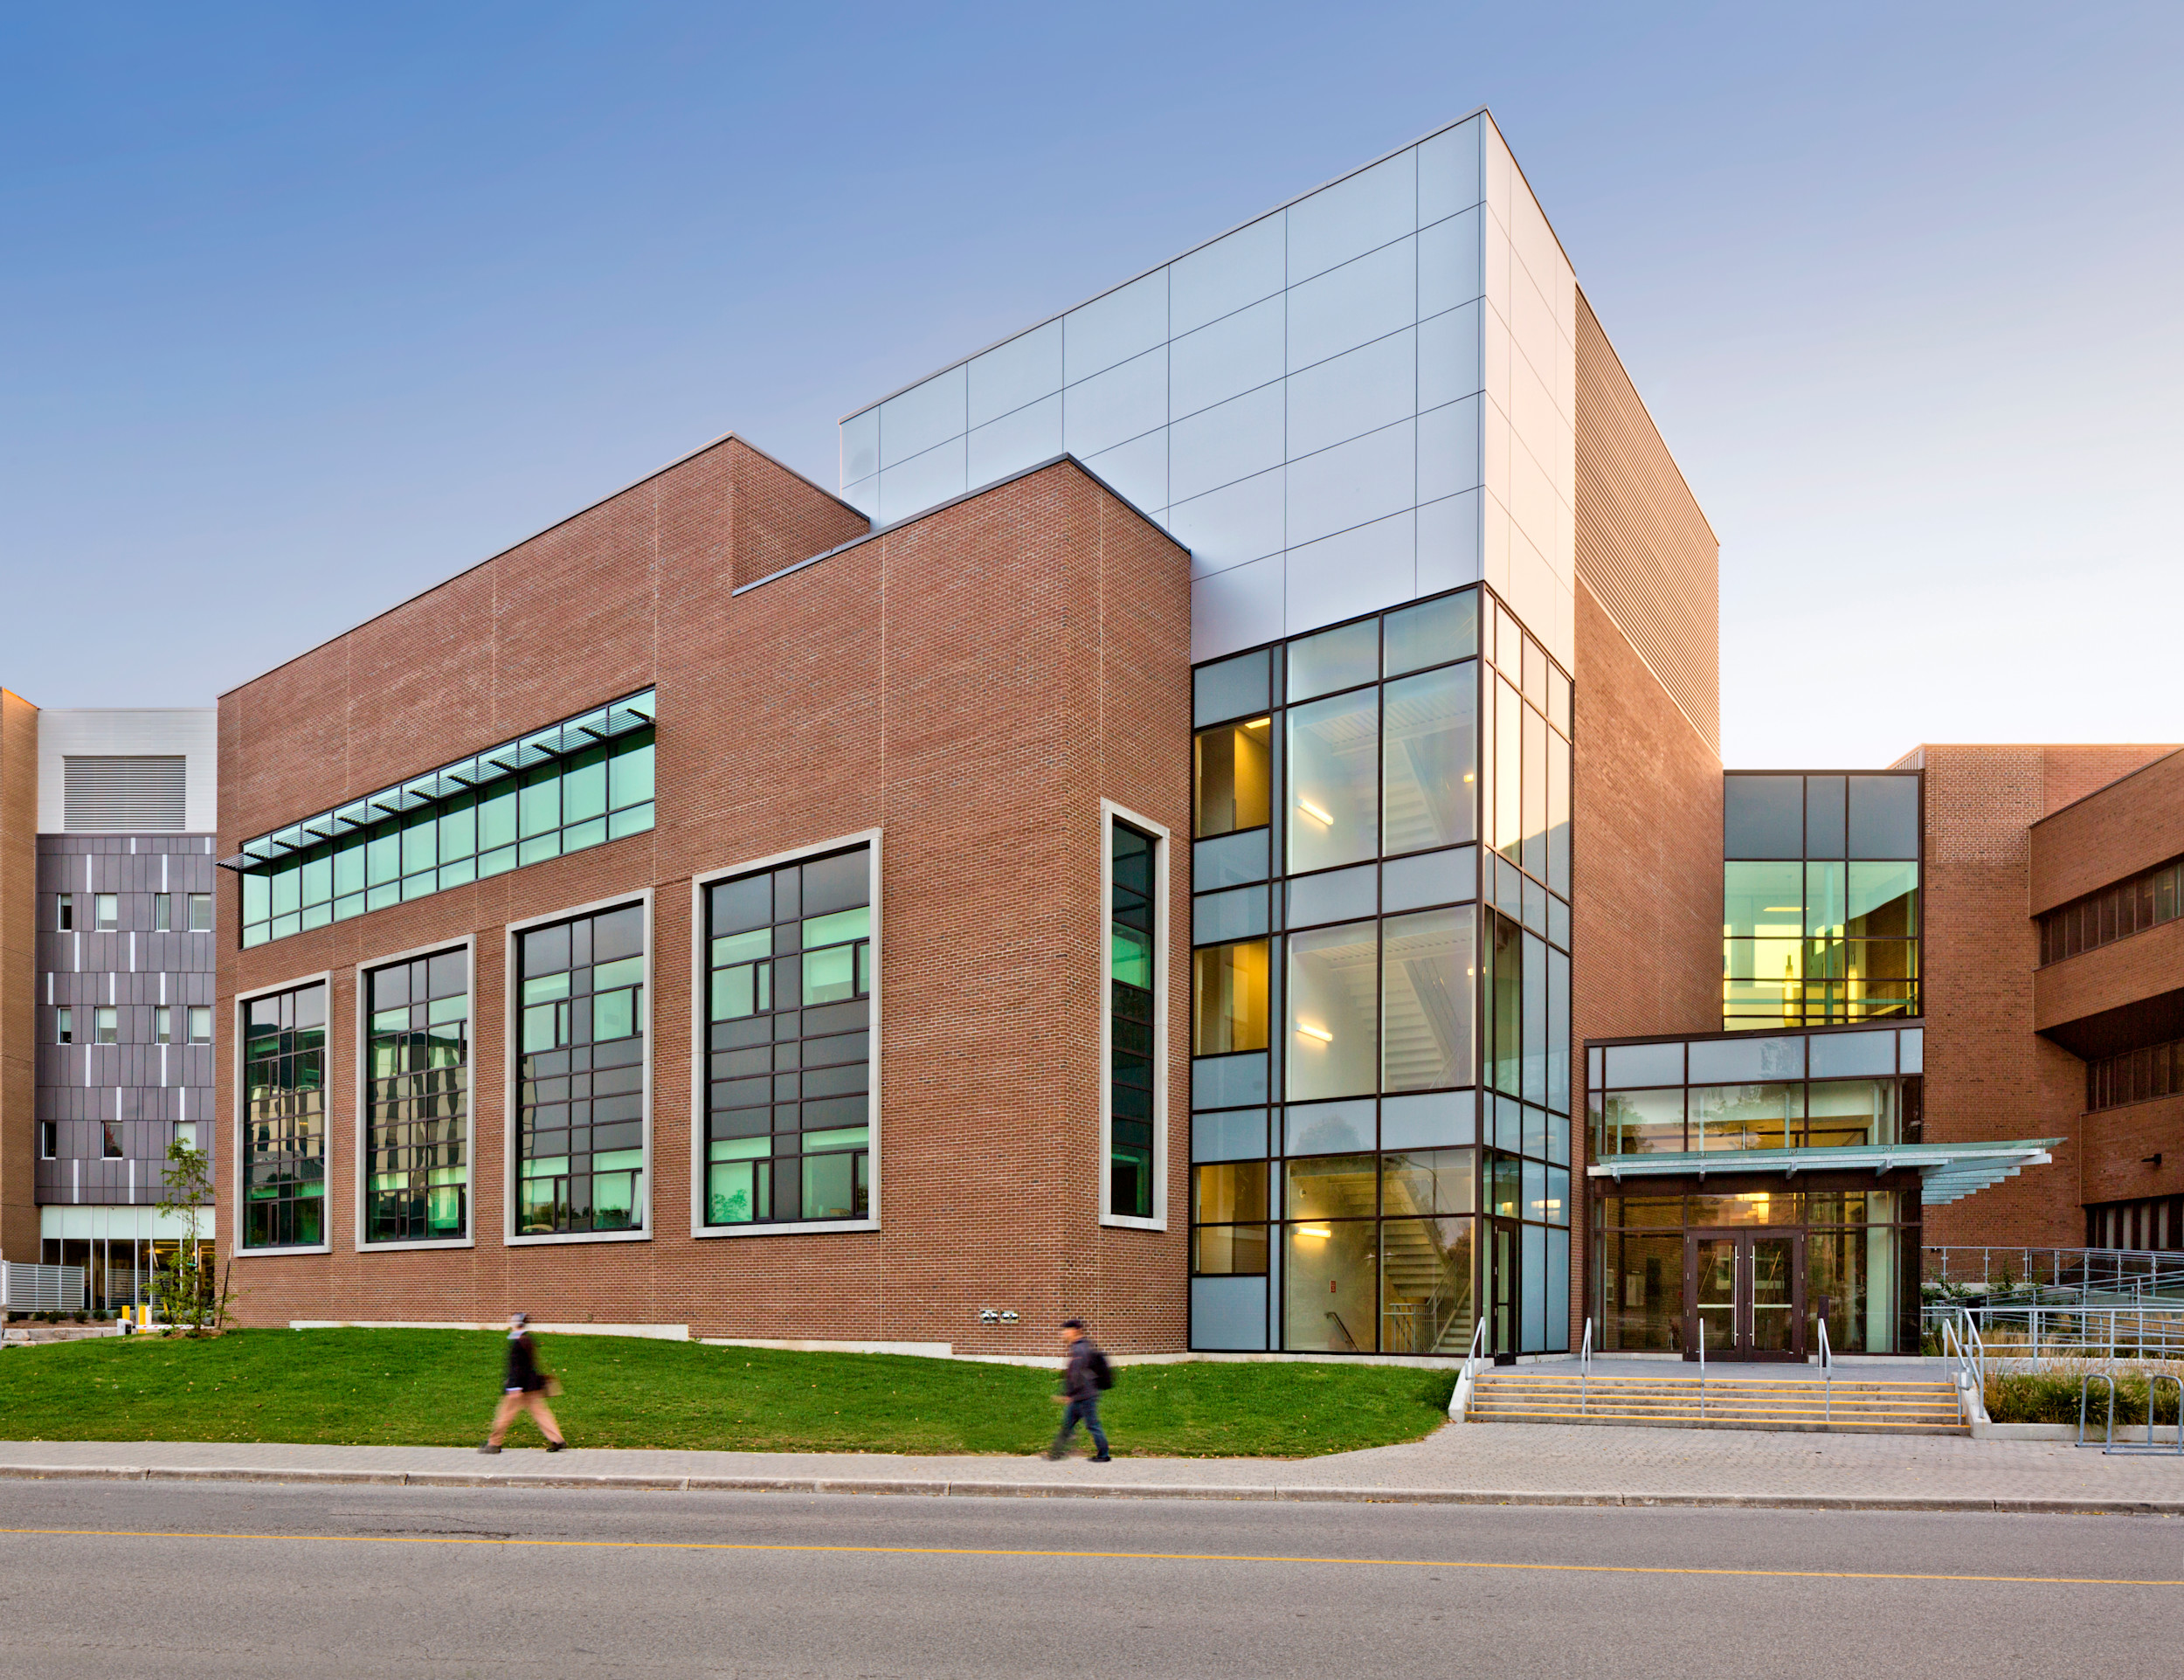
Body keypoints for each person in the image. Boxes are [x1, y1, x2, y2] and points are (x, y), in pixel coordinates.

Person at [480, 1311, 566, 1453]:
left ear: (515, 1323)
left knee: (505, 1414)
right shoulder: (528, 1338)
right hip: (532, 1385)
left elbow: (517, 1367)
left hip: (518, 1388)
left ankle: (494, 1444)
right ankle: (557, 1440)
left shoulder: (518, 1341)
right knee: (541, 1413)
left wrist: (514, 1386)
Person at [1045, 1318, 1110, 1462]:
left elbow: (1077, 1373)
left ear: (1075, 1330)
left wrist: (1070, 1394)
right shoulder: (1081, 1347)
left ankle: (1104, 1455)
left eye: (1066, 1331)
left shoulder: (1080, 1349)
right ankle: (1056, 1453)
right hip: (1081, 1395)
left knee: (1093, 1425)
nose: (1064, 1334)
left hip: (1085, 1396)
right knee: (1068, 1425)